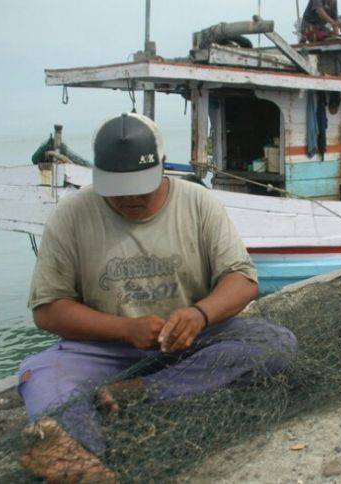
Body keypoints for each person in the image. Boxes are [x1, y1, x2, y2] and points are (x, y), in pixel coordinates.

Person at [17, 113, 297, 482]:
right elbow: (49, 310)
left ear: (163, 168)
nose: (130, 198)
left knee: (276, 343)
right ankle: (79, 459)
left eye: (140, 186)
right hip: (106, 349)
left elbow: (242, 280)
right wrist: (124, 329)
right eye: (118, 189)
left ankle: (142, 391)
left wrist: (200, 315)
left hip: (195, 341)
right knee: (40, 374)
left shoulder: (198, 202)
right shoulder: (71, 214)